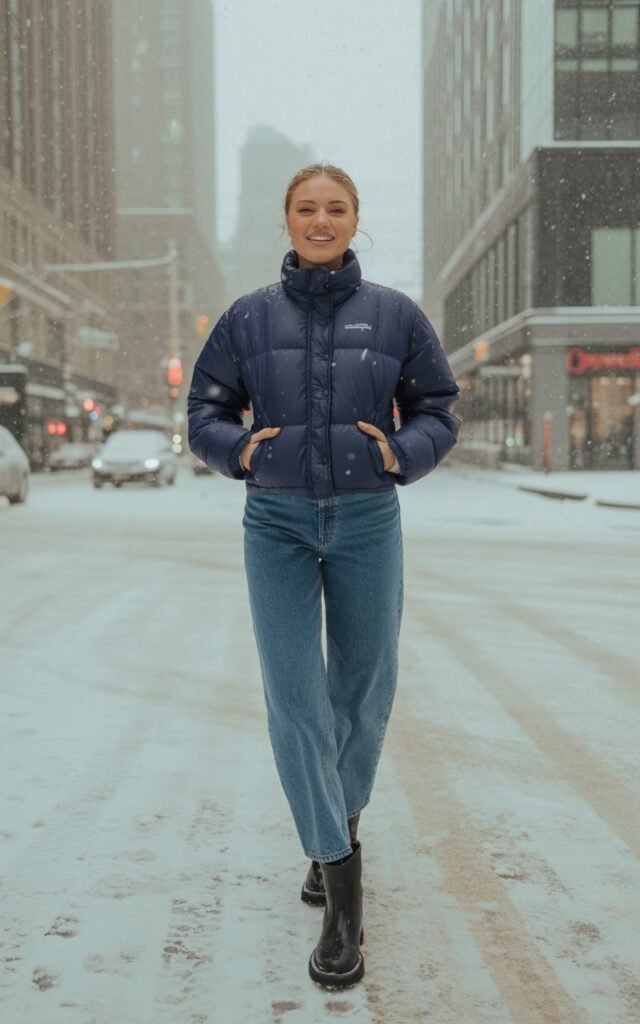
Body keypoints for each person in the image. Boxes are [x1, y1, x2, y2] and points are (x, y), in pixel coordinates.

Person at [187, 162, 461, 990]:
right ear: (287, 220)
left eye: (335, 208)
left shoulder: (395, 316)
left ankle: (334, 816)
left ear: (354, 220)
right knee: (295, 698)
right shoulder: (246, 318)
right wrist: (239, 448)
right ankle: (344, 894)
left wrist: (399, 452)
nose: (320, 219)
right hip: (274, 520)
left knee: (363, 692)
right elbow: (202, 410)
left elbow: (439, 408)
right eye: (306, 208)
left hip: (368, 517)